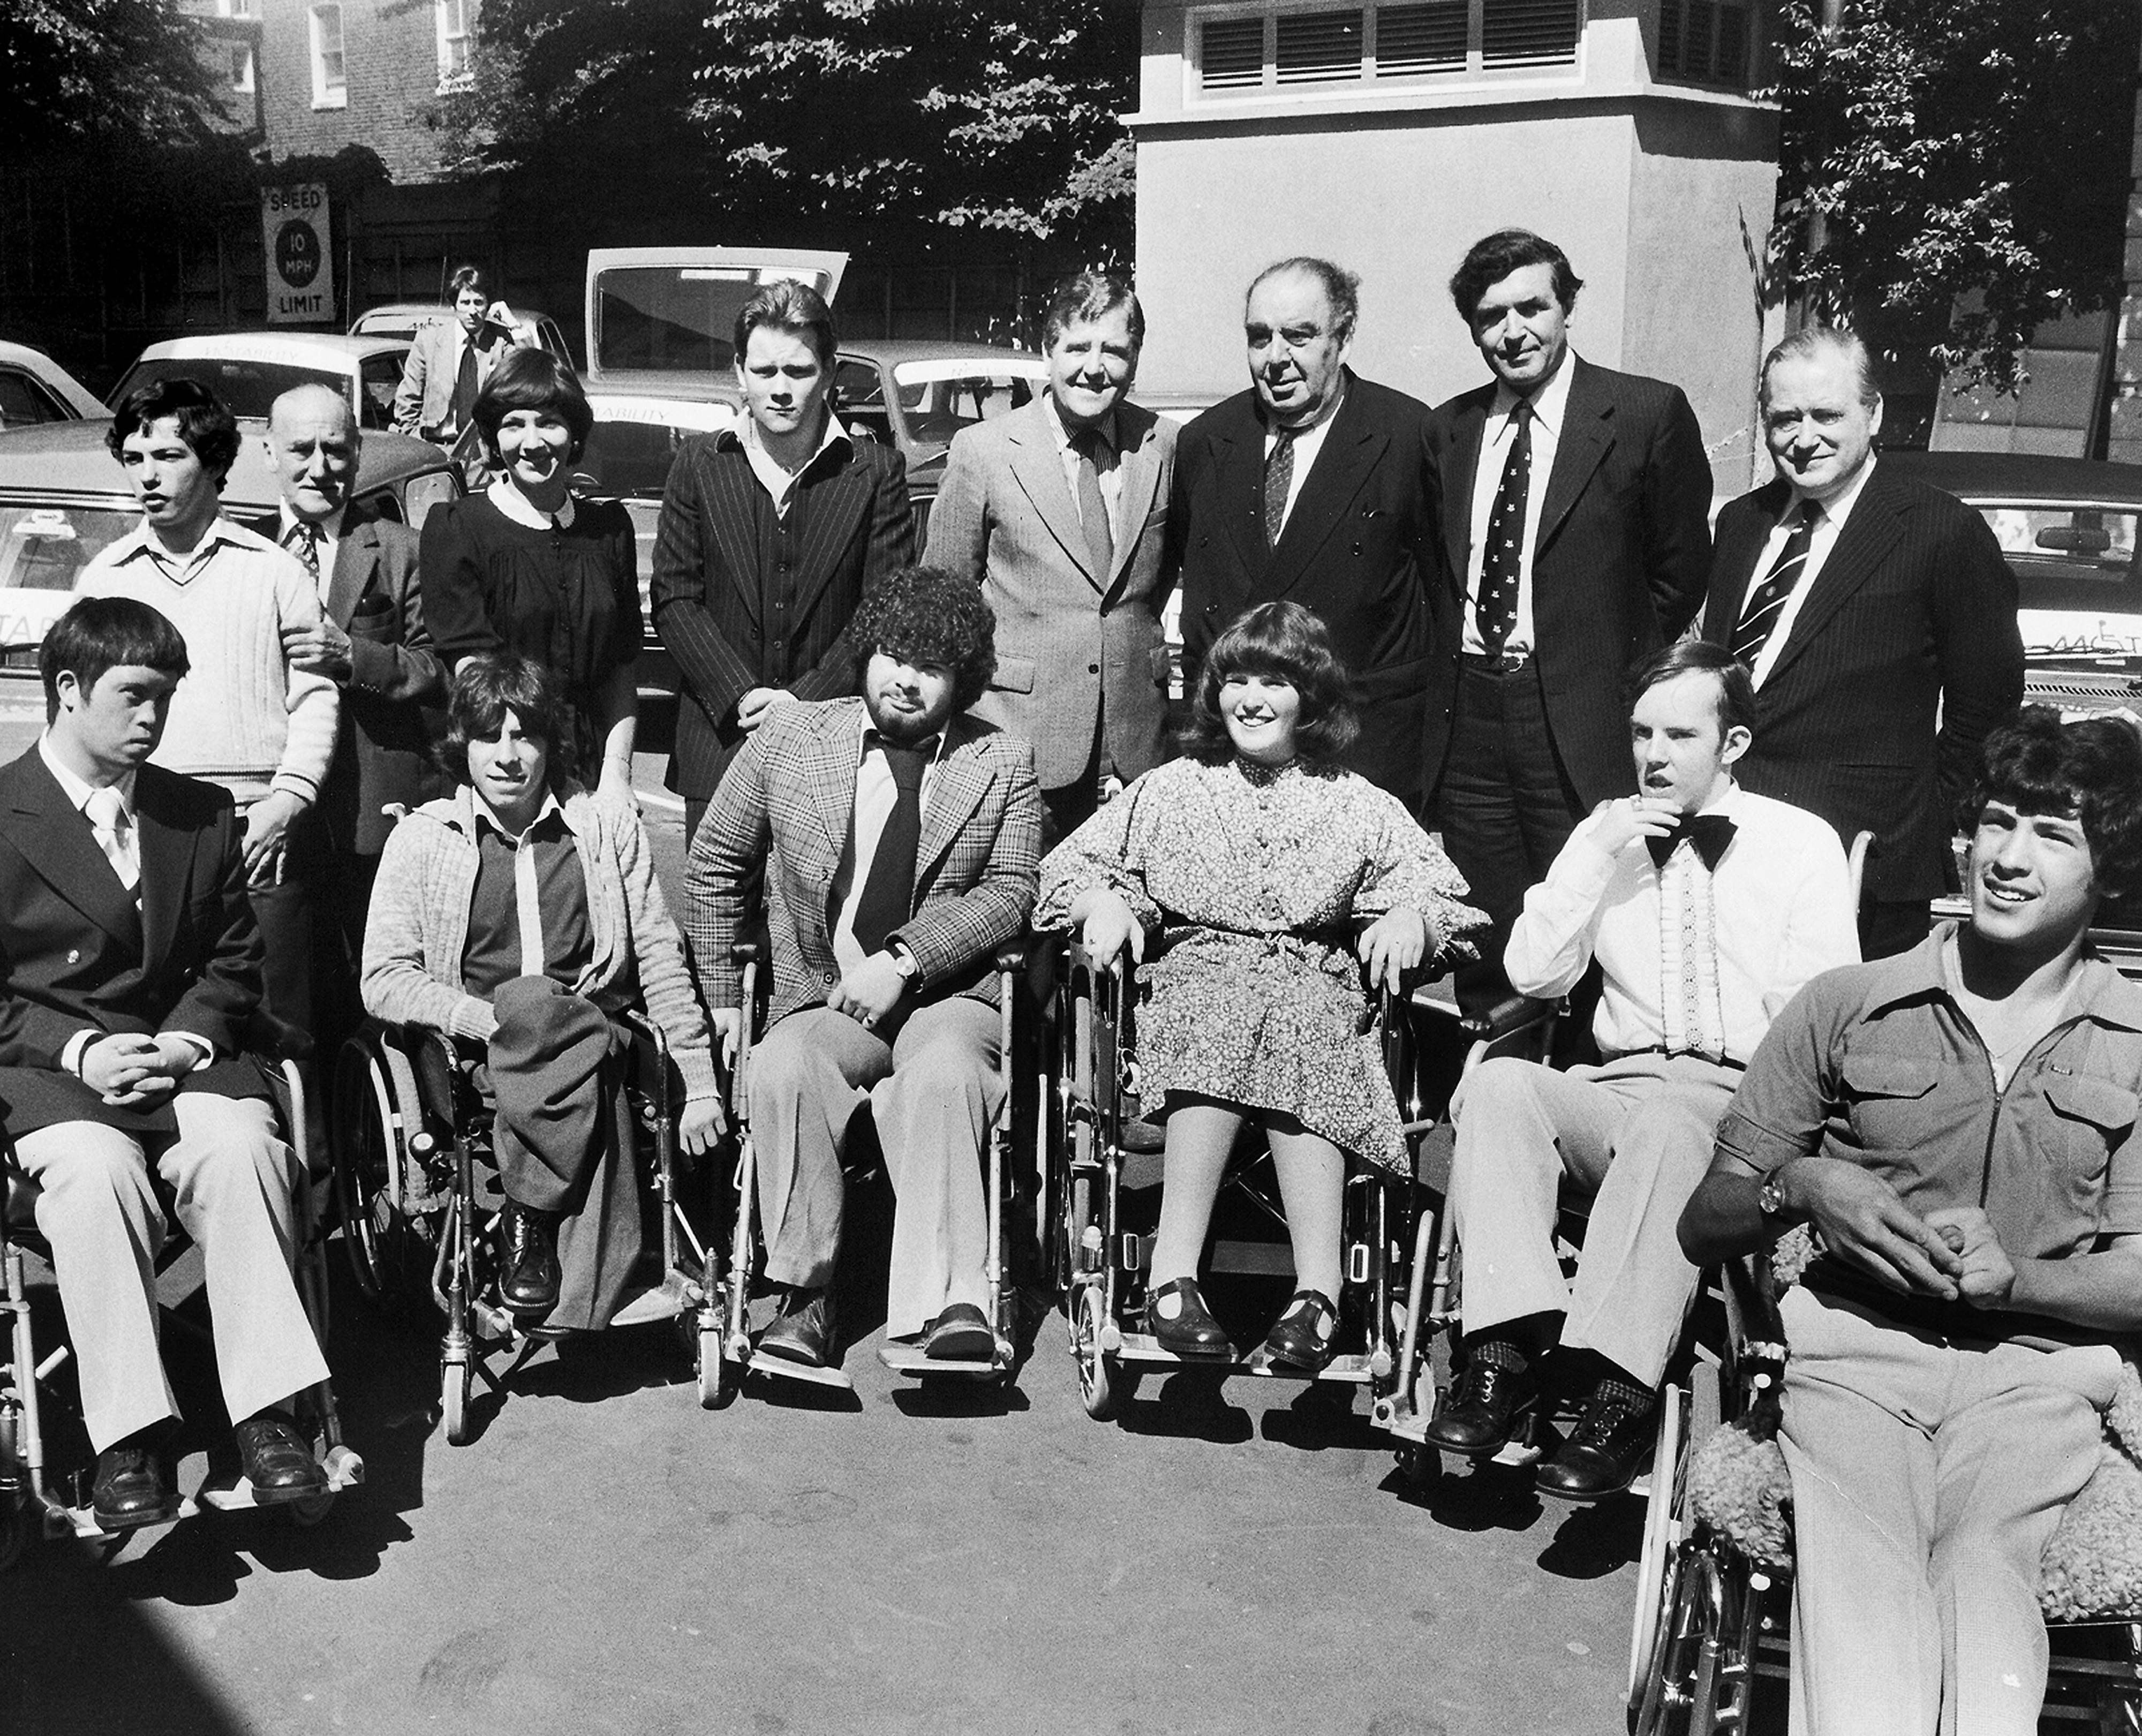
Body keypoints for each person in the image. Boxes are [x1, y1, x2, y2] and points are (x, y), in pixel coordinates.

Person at [1679, 709, 2142, 1735]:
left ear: (2107, 872)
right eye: (1997, 823)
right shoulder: (1846, 1003)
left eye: (2054, 835)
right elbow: (1705, 1223)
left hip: (2040, 1377)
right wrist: (1801, 1186)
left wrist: (2017, 1283)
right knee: (1862, 1566)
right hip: (1854, 1356)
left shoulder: (2135, 1042)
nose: (2009, 860)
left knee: (1985, 1573)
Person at [1422, 641, 1858, 1498]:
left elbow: (1818, 1015)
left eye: (1679, 735)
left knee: (1671, 1124)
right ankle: (1500, 1360)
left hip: (1743, 1105)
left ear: (1731, 744)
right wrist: (1593, 854)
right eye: (1641, 733)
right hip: (1620, 1086)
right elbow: (1532, 976)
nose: (1654, 755)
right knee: (1504, 1084)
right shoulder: (1608, 834)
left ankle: (1617, 1393)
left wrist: (1740, 1101)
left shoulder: (1801, 843)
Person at [1036, 601, 1483, 1369]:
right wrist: (1099, 898)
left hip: (1314, 989)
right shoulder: (1172, 788)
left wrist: (1417, 921)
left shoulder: (1357, 801)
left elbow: (1448, 902)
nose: (1251, 698)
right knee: (1224, 1004)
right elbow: (1064, 870)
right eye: (1236, 679)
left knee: (1304, 1019)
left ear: (1309, 696)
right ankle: (1173, 1276)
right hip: (1195, 981)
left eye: (1273, 681)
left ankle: (1317, 1294)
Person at [0, 597, 331, 1528]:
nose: (154, 718)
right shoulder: (1, 812)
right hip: (54, 1072)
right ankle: (128, 1439)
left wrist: (184, 1040)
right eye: (134, 695)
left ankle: (272, 1419)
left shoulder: (199, 812)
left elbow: (235, 960)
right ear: (66, 690)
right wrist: (80, 1048)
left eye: (167, 699)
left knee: (243, 1151)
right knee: (98, 1173)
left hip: (186, 1058)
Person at [685, 567, 1040, 1368]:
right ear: (867, 655)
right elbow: (712, 863)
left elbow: (1014, 891)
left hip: (946, 998)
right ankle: (808, 1294)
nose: (905, 680)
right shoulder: (792, 737)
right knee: (785, 1064)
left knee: (948, 1070)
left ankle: (952, 1301)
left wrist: (908, 959)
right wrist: (722, 1001)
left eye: (932, 666)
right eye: (891, 655)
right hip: (822, 993)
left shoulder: (1004, 760)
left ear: (964, 680)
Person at [360, 656, 723, 1329]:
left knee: (575, 1028)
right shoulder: (421, 838)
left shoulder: (603, 827)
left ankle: (527, 1220)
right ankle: (588, 1272)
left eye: (524, 735)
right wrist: (477, 1016)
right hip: (481, 1051)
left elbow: (660, 958)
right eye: (488, 737)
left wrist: (698, 1082)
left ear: (551, 744)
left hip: (591, 1032)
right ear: (459, 746)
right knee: (538, 1011)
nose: (506, 755)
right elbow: (383, 976)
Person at [1423, 229, 1715, 1008]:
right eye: (1491, 317)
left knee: (1596, 913)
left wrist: (1605, 667)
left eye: (1532, 308)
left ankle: (1584, 1097)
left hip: (1585, 715)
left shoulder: (1645, 413)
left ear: (1567, 308)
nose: (1513, 331)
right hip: (1474, 717)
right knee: (1487, 926)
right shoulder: (1448, 431)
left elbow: (1680, 570)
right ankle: (1485, 1094)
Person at [1702, 326, 2023, 959]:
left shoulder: (1940, 531)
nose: (1804, 436)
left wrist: (1920, 817)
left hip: (1862, 856)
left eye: (1827, 415)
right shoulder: (1741, 522)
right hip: (1729, 840)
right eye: (1784, 417)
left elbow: (1985, 707)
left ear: (1873, 415)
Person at [75, 378, 339, 1044]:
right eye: (135, 459)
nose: (147, 477)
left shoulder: (275, 570)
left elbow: (314, 694)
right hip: (145, 832)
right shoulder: (105, 577)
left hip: (258, 834)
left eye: (168, 457)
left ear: (216, 463)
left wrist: (289, 800)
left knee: (281, 1029)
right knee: (159, 1024)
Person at [1167, 258, 1438, 813]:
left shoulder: (1408, 435)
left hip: (1362, 754)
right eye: (1258, 337)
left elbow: (1441, 592)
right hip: (1232, 757)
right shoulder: (1206, 441)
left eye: (1298, 336)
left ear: (1342, 336)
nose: (1275, 359)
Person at [652, 279, 915, 840]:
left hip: (834, 745)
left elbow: (883, 610)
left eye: (797, 372)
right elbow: (675, 599)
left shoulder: (876, 473)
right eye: (764, 371)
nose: (779, 389)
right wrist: (740, 694)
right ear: (739, 373)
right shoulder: (698, 464)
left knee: (820, 925)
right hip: (721, 742)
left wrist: (801, 704)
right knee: (716, 922)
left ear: (828, 374)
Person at [925, 269, 1177, 837]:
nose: (1095, 366)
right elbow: (944, 599)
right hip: (1018, 734)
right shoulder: (984, 451)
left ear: (1135, 359)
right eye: (1078, 347)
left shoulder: (1164, 445)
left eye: (1114, 350)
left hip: (1135, 740)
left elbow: (1146, 588)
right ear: (1047, 351)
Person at [254, 382, 446, 1071]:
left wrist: (356, 656)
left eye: (335, 449)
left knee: (381, 998)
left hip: (373, 819)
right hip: (274, 816)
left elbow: (445, 672)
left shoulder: (402, 550)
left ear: (358, 452)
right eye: (300, 449)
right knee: (286, 1006)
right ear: (268, 452)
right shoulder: (246, 554)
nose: (318, 466)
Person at [419, 348, 641, 809]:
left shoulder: (609, 530)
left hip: (595, 776)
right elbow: (473, 675)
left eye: (549, 422)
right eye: (514, 424)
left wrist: (617, 777)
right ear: (493, 436)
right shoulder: (458, 528)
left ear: (574, 433)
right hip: (502, 769)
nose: (533, 442)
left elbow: (619, 672)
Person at [390, 263, 539, 449]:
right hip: (437, 447)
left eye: (479, 302)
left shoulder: (501, 342)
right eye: (465, 303)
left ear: (488, 306)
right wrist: (419, 444)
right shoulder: (429, 341)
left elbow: (530, 371)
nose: (472, 311)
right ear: (454, 307)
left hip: (485, 451)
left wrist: (512, 323)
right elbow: (407, 399)